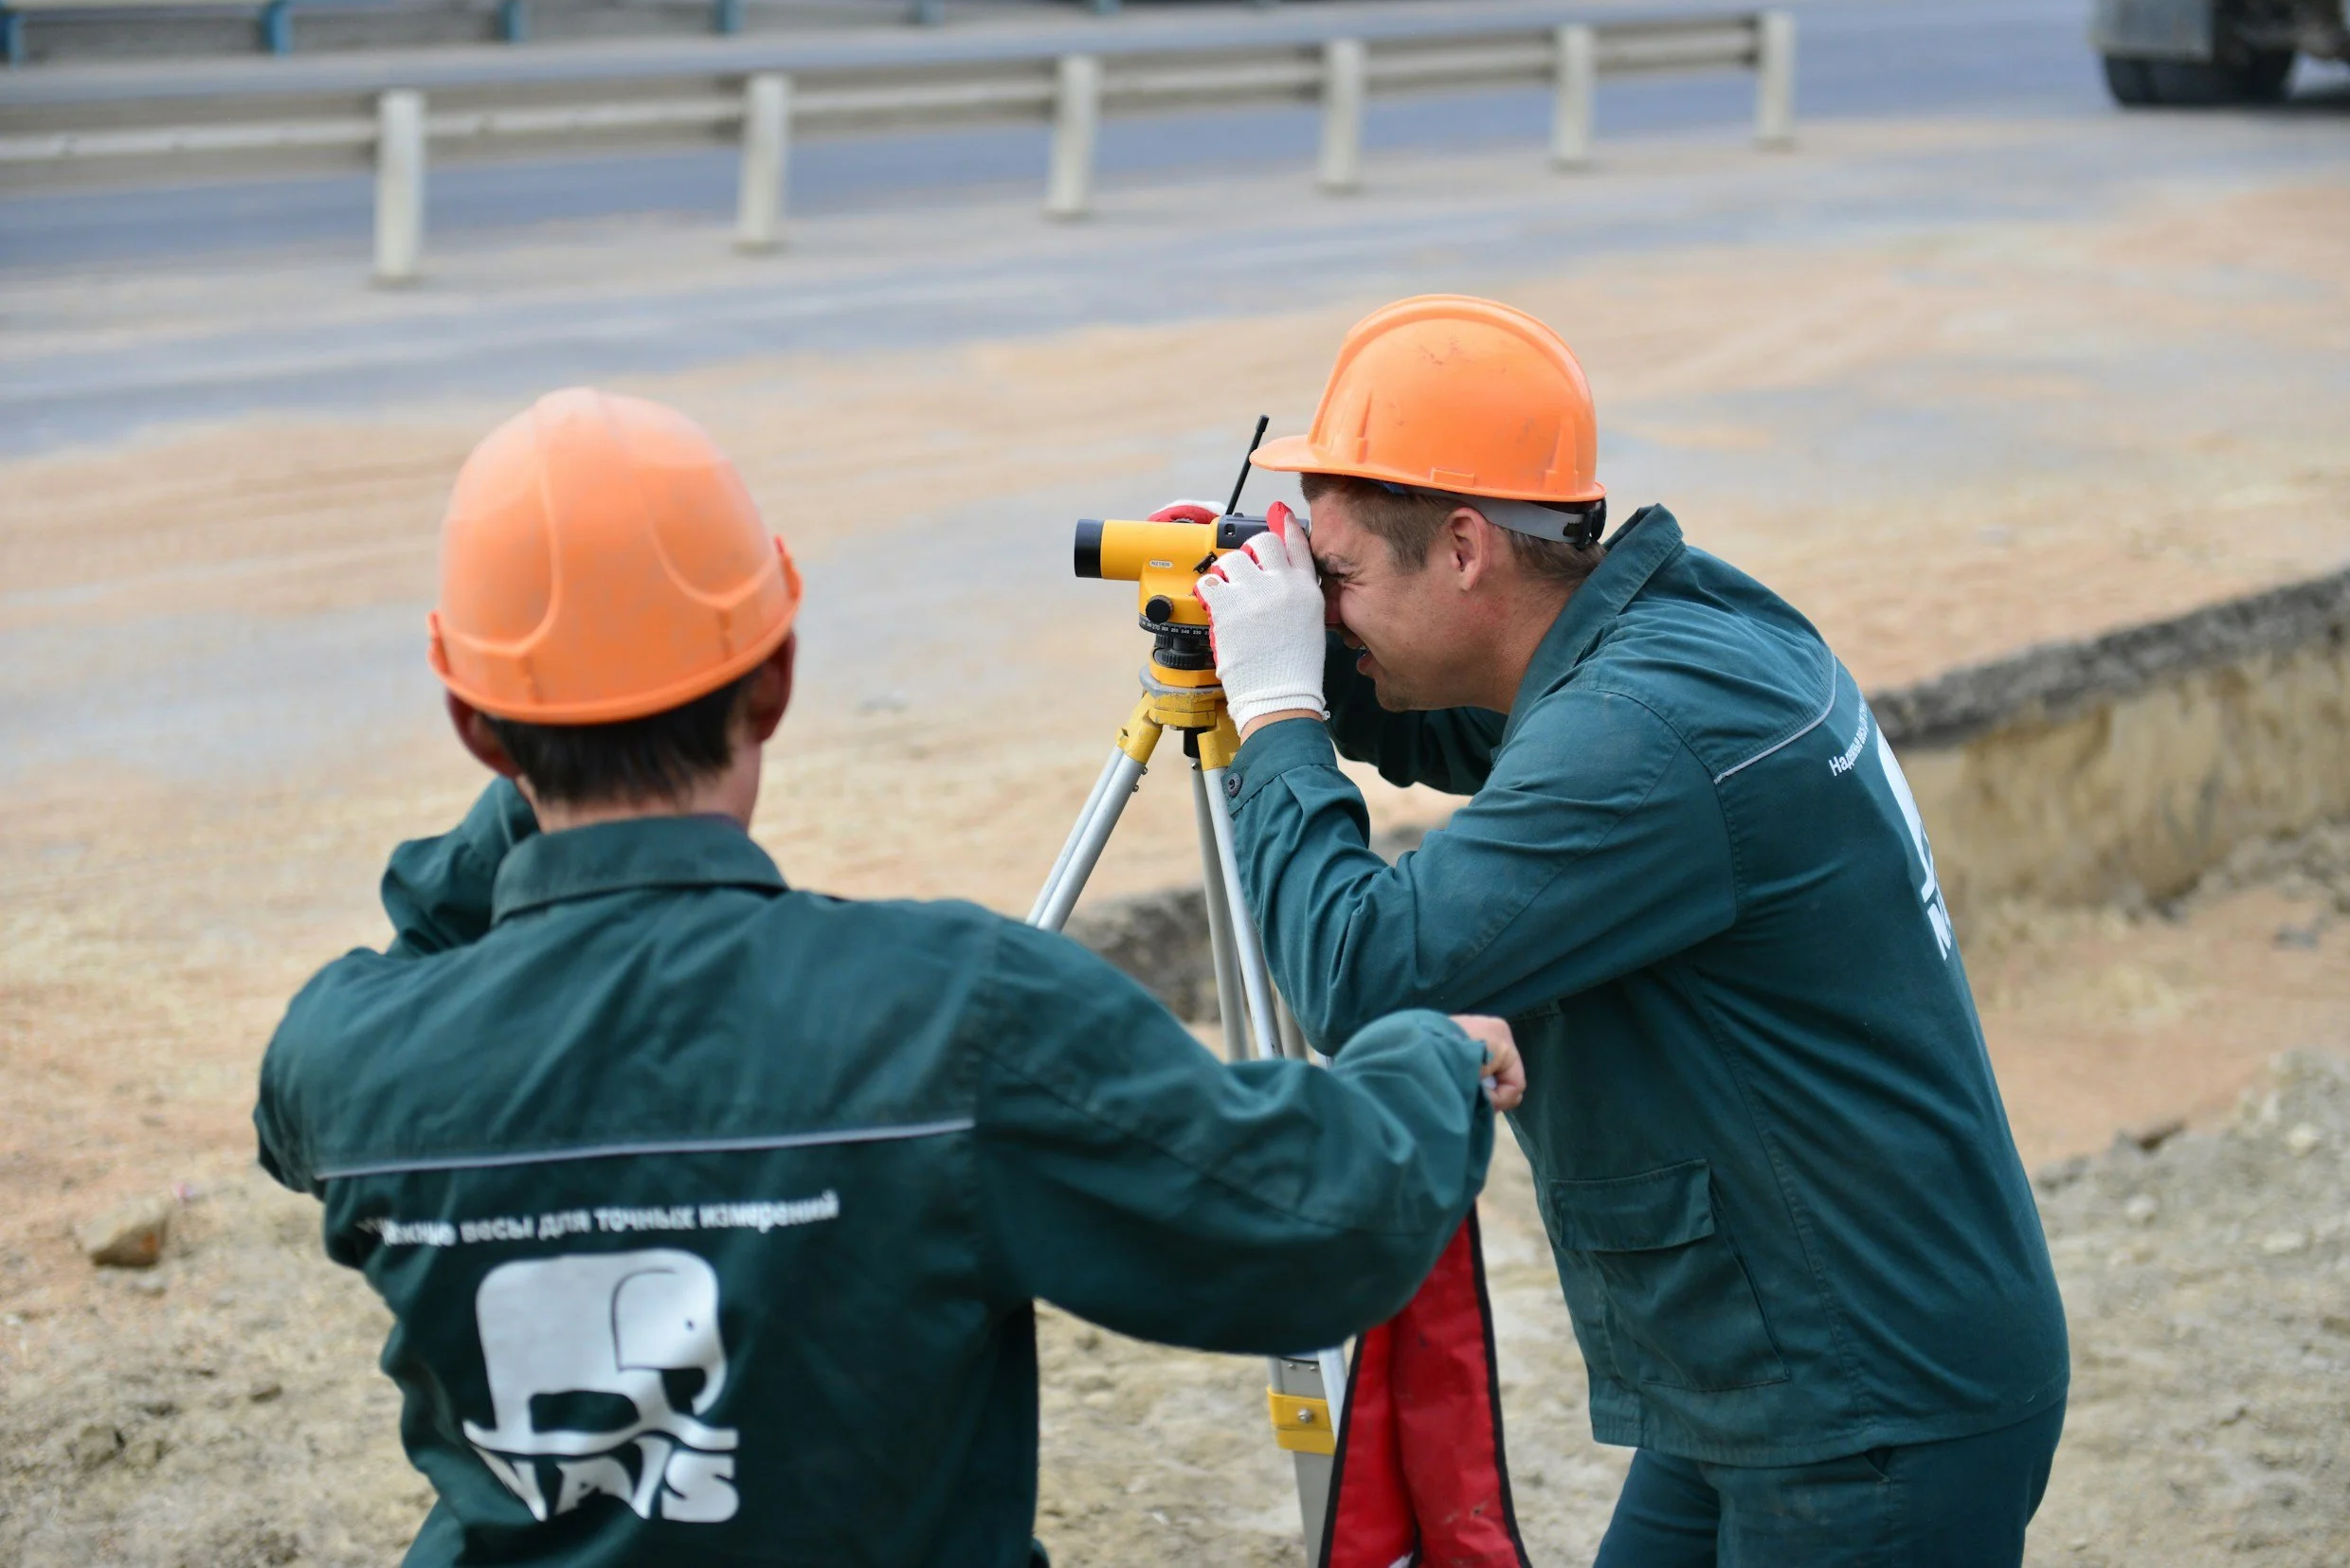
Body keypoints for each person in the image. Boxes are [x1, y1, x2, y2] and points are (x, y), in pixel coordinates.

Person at [252, 387, 1525, 1567]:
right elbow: (1317, 1228)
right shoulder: (955, 1015)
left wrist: (556, 743)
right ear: (777, 681)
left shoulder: (350, 1064)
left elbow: (426, 932)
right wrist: (1435, 1060)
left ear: (474, 724)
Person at [1189, 296, 2070, 1566]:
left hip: (1866, 1405)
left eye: (1334, 581)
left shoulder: (1654, 735)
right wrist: (1280, 630)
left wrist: (1271, 702)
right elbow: (1460, 719)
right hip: (1778, 1361)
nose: (1324, 611)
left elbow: (1361, 970)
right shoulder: (1680, 633)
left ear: (1464, 548)